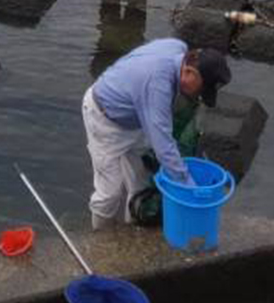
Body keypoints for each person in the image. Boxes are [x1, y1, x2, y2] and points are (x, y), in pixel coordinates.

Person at [83, 38, 230, 229]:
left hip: (136, 116)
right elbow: (164, 148)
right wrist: (189, 188)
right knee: (109, 194)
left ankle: (135, 228)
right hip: (104, 118)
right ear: (189, 72)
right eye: (201, 90)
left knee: (141, 182)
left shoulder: (178, 47)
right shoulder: (157, 86)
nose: (199, 96)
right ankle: (99, 242)